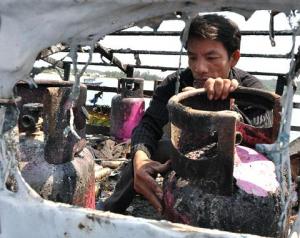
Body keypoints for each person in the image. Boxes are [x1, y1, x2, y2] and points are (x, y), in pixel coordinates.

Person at [101, 14, 269, 214]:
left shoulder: (251, 90)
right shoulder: (175, 83)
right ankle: (109, 209)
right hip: (184, 148)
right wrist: (140, 158)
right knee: (144, 156)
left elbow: (260, 143)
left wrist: (222, 107)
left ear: (233, 58)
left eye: (211, 57)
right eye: (192, 57)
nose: (199, 68)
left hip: (233, 160)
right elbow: (149, 124)